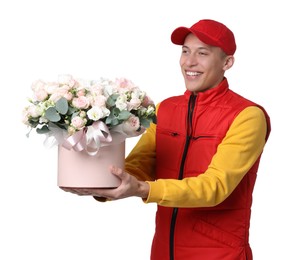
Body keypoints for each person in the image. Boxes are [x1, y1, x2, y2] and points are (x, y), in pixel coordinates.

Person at [62, 19, 271, 260]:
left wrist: (142, 189)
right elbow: (141, 164)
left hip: (219, 254)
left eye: (202, 53)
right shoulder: (165, 109)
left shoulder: (247, 116)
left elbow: (215, 187)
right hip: (164, 251)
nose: (189, 62)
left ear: (227, 62)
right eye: (185, 51)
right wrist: (101, 184)